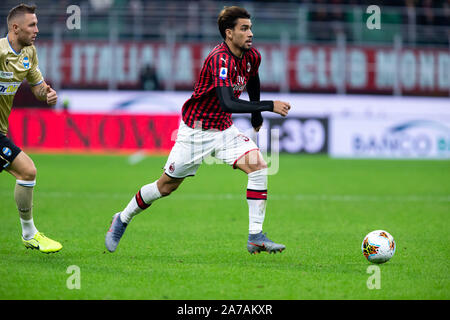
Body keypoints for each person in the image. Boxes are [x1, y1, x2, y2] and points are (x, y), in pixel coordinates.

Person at [105, 6, 291, 254]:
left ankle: (255, 236)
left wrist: (256, 114)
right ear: (229, 33)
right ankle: (122, 218)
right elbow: (228, 102)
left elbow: (252, 78)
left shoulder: (252, 55)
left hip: (224, 129)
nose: (250, 33)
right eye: (244, 28)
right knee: (166, 187)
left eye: (251, 28)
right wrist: (269, 106)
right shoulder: (219, 59)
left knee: (258, 166)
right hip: (196, 131)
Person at [0, 4, 62, 253]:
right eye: (32, 25)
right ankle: (29, 234)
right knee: (27, 170)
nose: (37, 30)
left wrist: (45, 94)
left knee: (26, 173)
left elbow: (37, 86)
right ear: (15, 28)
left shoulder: (29, 53)